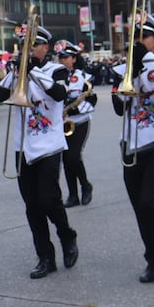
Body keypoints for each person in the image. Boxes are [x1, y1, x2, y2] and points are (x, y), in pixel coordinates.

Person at [0, 25, 79, 279]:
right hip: (23, 147)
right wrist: (14, 74)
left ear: (45, 47)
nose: (27, 50)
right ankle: (45, 257)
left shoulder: (56, 70)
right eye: (23, 46)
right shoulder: (16, 72)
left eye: (33, 46)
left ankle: (66, 234)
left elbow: (59, 93)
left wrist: (33, 72)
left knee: (49, 199)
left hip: (49, 144)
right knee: (32, 205)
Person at [111, 15, 154, 284]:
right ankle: (152, 257)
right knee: (138, 206)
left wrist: (148, 62)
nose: (140, 42)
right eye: (136, 37)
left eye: (146, 37)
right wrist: (131, 70)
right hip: (131, 144)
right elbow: (119, 108)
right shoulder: (123, 70)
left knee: (149, 201)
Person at [56, 42, 96, 207]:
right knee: (66, 159)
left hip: (79, 121)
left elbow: (92, 100)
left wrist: (72, 109)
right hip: (61, 122)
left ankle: (86, 185)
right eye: (60, 57)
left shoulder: (84, 76)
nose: (62, 60)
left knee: (73, 156)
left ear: (74, 58)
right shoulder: (56, 76)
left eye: (66, 57)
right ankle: (73, 195)